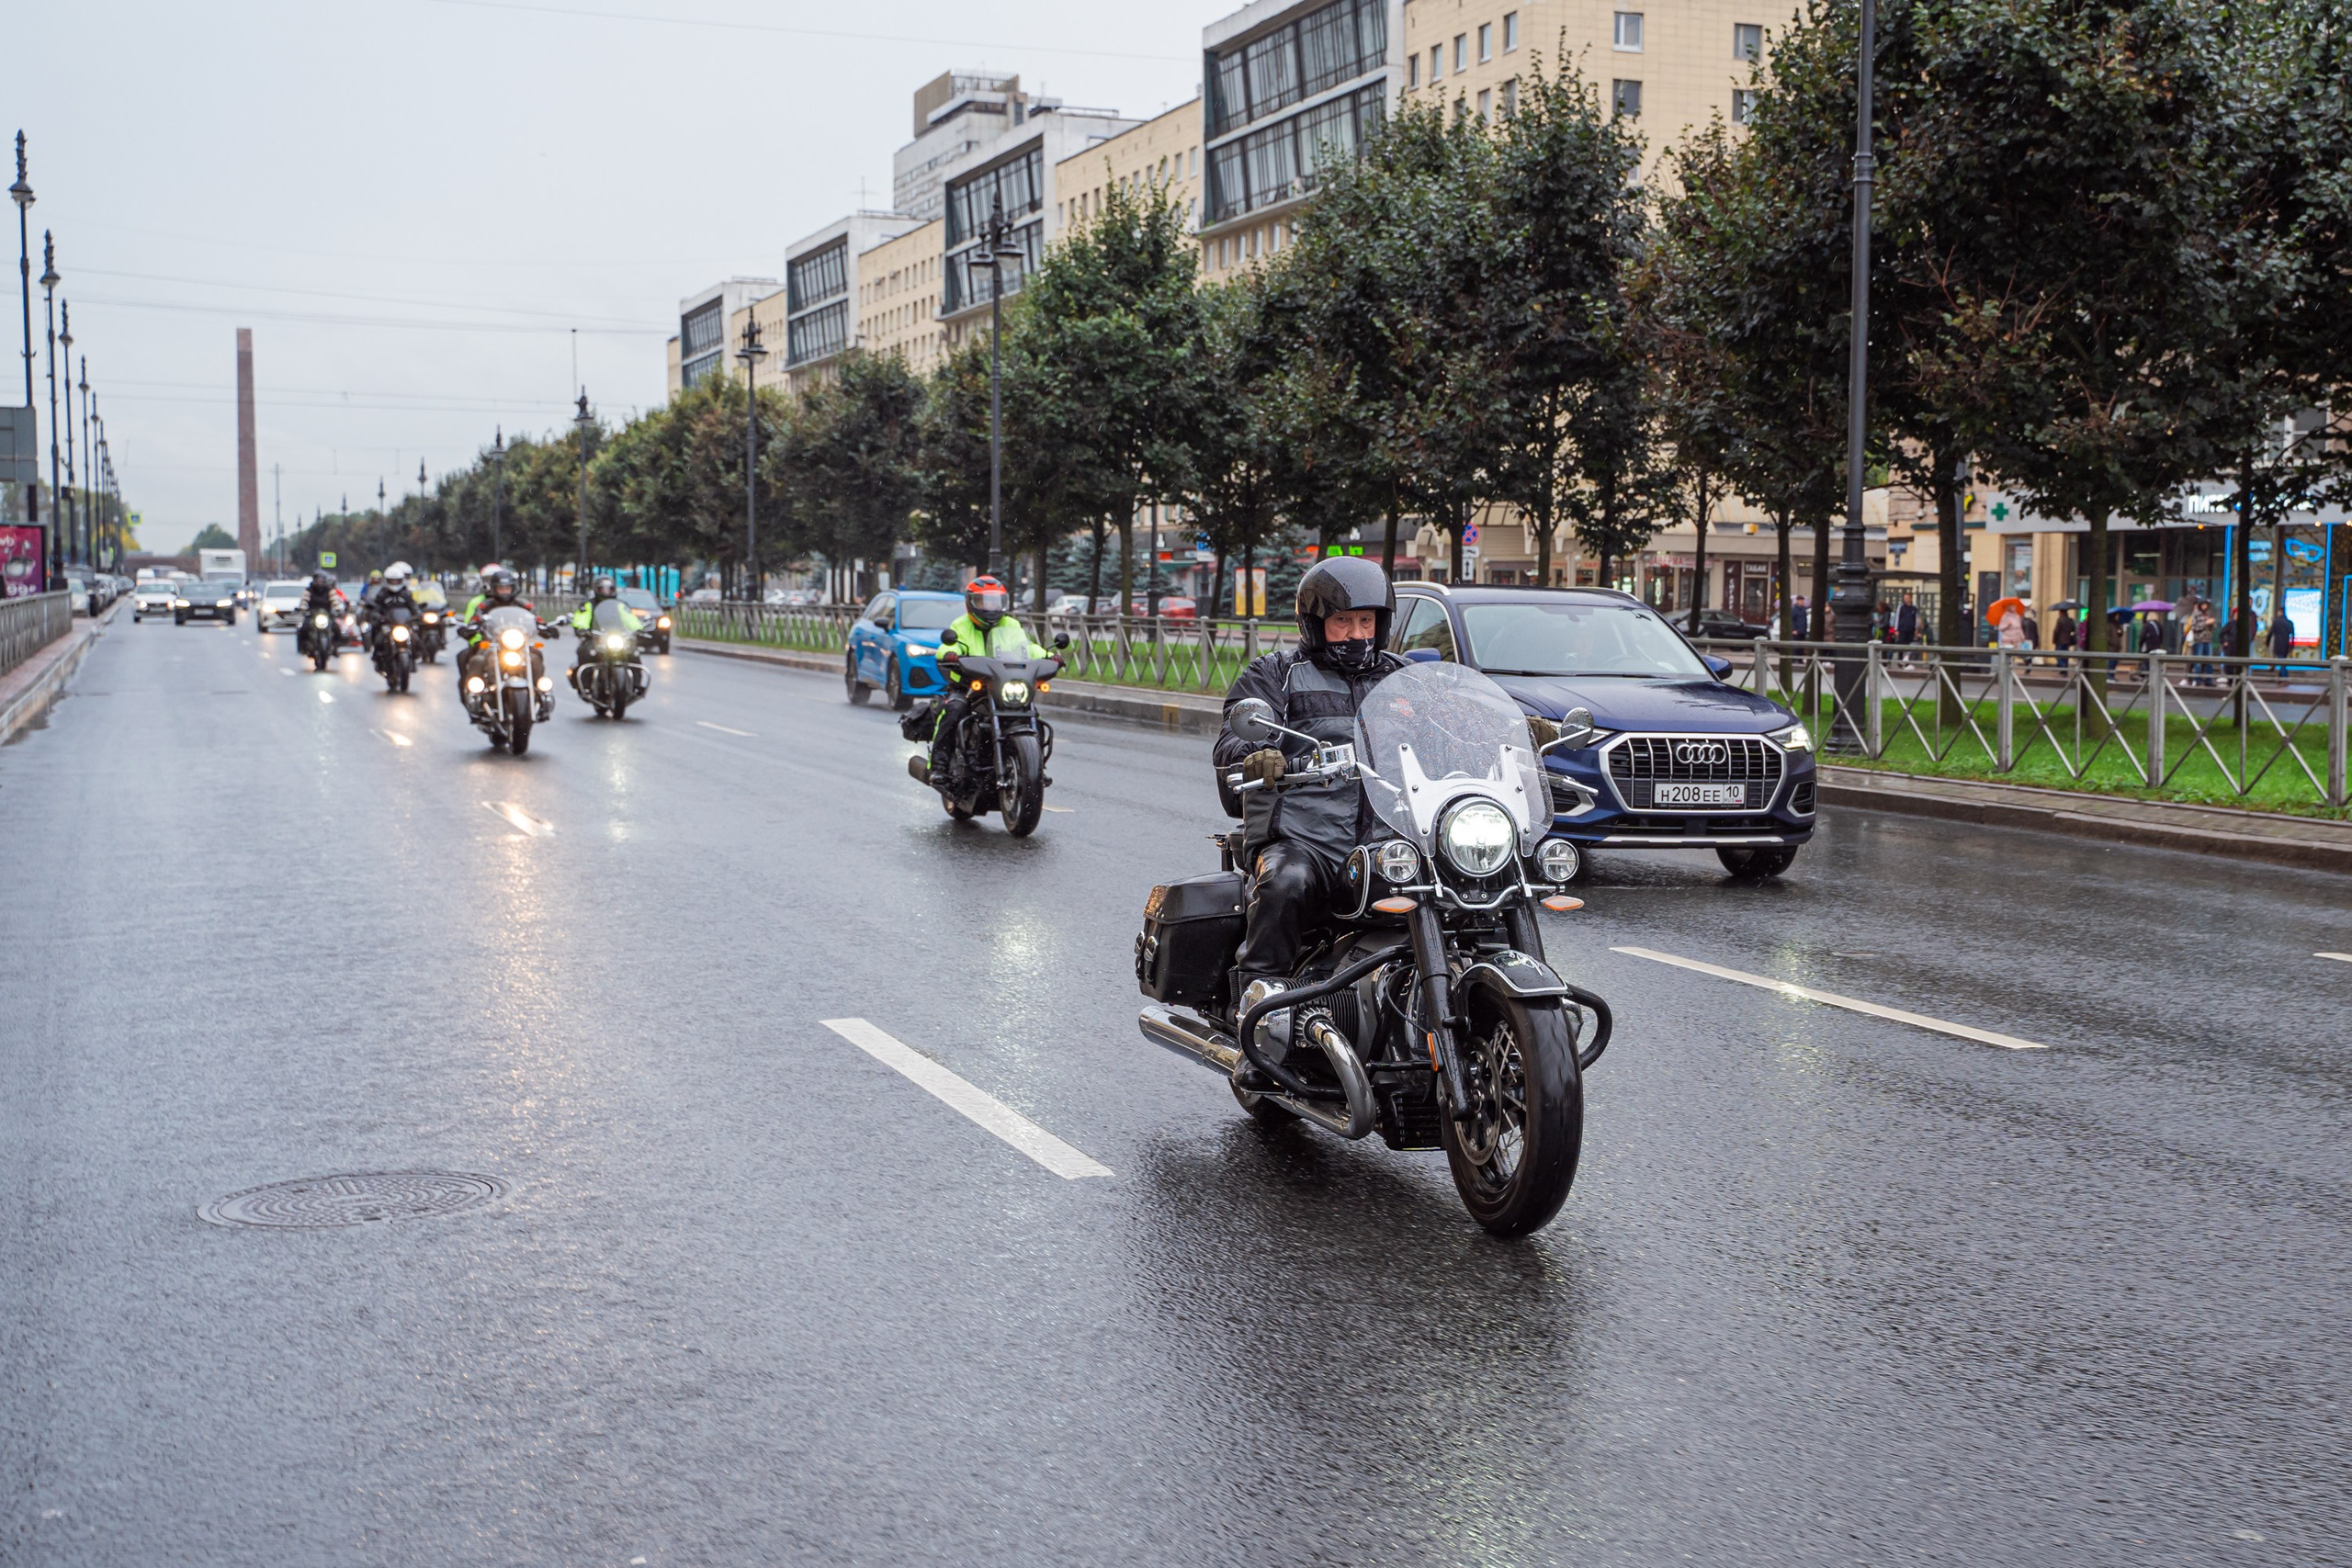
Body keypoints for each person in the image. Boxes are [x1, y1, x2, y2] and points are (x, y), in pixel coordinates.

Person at [1214, 557, 1408, 1007]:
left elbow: (1451, 727)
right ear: (1315, 623)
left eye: (1366, 621)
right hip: (1308, 839)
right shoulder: (1276, 675)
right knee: (1285, 880)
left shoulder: (1403, 677)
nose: (1358, 634)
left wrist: (1520, 731)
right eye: (1343, 622)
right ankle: (1258, 1009)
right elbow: (1230, 744)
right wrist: (1254, 756)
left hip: (1390, 840)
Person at [924, 576, 1051, 777]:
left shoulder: (1011, 625)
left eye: (996, 601)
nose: (991, 607)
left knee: (1032, 715)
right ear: (971, 602)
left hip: (1003, 683)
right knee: (954, 710)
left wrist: (1050, 656)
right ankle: (938, 766)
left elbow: (1027, 648)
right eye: (985, 601)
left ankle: (1034, 770)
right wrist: (949, 654)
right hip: (969, 686)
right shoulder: (961, 625)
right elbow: (949, 646)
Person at [458, 566, 532, 702]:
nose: (505, 591)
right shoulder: (483, 605)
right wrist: (471, 628)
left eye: (507, 588)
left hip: (517, 644)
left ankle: (537, 691)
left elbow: (534, 617)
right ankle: (477, 695)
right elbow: (475, 619)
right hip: (491, 644)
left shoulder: (522, 604)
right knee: (478, 660)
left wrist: (545, 626)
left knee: (535, 657)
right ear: (494, 588)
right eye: (501, 588)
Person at [567, 574, 640, 686]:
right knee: (586, 653)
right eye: (602, 589)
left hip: (617, 637)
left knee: (634, 654)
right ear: (596, 589)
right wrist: (581, 628)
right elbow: (582, 618)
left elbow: (629, 618)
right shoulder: (588, 605)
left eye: (609, 589)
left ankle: (636, 685)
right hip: (595, 638)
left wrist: (639, 629)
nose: (606, 592)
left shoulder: (620, 605)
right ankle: (585, 685)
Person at [299, 570, 339, 659]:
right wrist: (302, 607)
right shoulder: (309, 590)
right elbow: (304, 600)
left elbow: (335, 599)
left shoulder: (329, 590)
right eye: (318, 580)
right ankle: (303, 647)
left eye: (322, 580)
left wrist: (338, 608)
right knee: (303, 628)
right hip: (313, 614)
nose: (320, 582)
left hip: (326, 614)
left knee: (336, 628)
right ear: (314, 580)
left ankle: (335, 647)